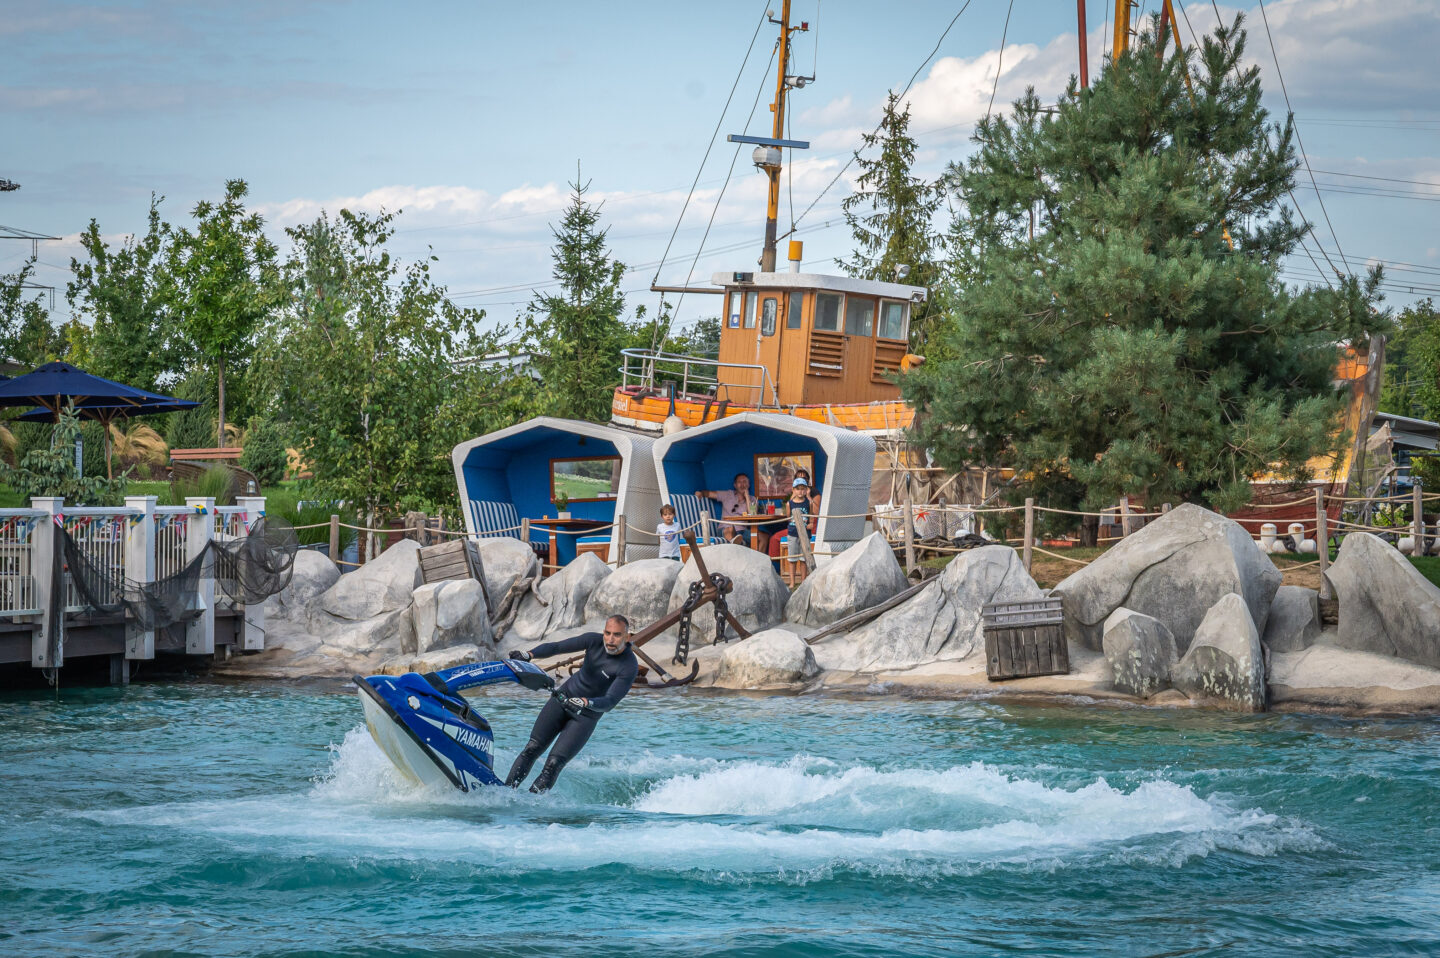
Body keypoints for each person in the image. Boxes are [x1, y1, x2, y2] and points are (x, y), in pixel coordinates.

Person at [504, 615, 639, 793]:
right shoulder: (593, 641)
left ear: (627, 637)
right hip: (562, 699)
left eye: (617, 635)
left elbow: (610, 702)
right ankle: (505, 794)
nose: (610, 640)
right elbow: (557, 647)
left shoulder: (629, 666)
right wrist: (529, 654)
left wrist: (586, 702)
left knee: (553, 764)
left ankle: (531, 807)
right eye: (607, 633)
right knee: (532, 748)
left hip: (586, 716)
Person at [698, 473, 758, 546]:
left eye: (745, 482)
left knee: (761, 537)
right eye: (739, 482)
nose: (742, 485)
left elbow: (752, 515)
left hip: (742, 530)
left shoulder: (753, 499)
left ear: (748, 485)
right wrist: (700, 493)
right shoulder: (727, 494)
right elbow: (709, 493)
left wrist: (747, 497)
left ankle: (739, 543)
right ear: (735, 485)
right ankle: (737, 543)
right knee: (730, 530)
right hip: (726, 528)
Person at [782, 477, 812, 587]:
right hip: (793, 533)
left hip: (805, 534)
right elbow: (788, 517)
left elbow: (811, 516)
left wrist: (811, 523)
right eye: (798, 489)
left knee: (804, 558)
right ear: (793, 490)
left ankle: (804, 581)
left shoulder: (809, 503)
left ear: (806, 490)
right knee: (792, 558)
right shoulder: (789, 503)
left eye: (803, 489)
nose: (801, 491)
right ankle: (792, 582)